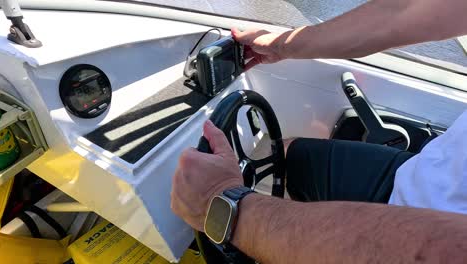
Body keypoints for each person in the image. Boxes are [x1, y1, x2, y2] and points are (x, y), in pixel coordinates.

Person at [171, 0, 467, 263]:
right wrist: (283, 45)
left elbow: (444, 252)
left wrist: (228, 209)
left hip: (425, 239)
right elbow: (411, 10)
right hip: (426, 177)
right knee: (286, 153)